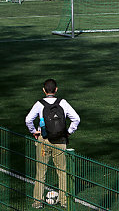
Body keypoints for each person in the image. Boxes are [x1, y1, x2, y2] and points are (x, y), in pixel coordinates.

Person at [25, 78, 81, 209]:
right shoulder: (63, 103)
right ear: (56, 90)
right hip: (60, 140)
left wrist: (34, 132)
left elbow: (28, 120)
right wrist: (68, 132)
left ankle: (37, 201)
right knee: (62, 171)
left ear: (44, 90)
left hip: (44, 140)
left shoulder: (39, 104)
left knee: (41, 172)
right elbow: (76, 119)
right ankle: (64, 201)